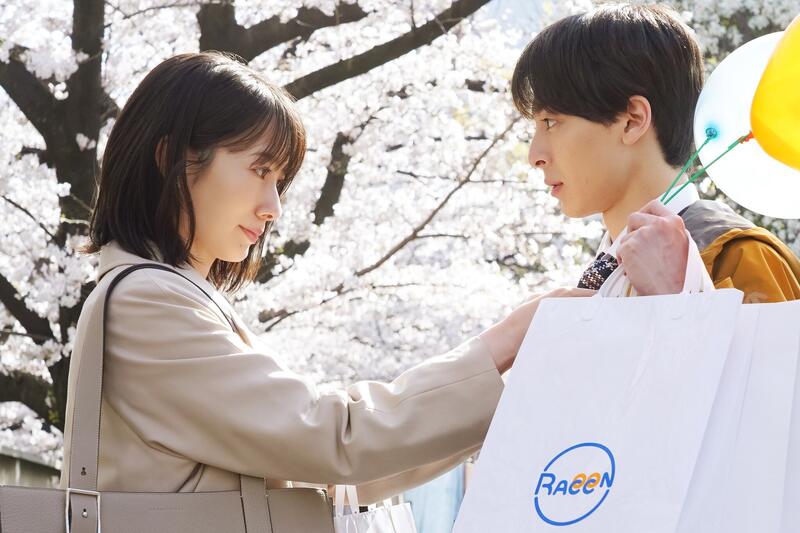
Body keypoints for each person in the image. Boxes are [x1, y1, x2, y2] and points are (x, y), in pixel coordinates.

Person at [58, 51, 591, 504]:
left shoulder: (166, 296)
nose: (272, 208)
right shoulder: (148, 302)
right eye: (260, 170)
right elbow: (335, 439)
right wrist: (506, 341)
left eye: (279, 181)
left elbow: (335, 475)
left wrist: (506, 390)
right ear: (173, 158)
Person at [511, 3, 800, 301]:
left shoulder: (739, 256)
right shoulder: (600, 275)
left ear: (632, 120)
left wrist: (675, 296)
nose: (535, 156)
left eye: (550, 122)